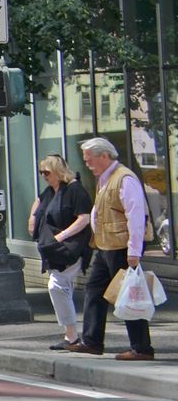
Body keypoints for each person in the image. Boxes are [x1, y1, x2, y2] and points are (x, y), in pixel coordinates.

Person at [68, 138, 155, 361]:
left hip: (121, 248)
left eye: (90, 160)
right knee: (94, 291)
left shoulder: (125, 178)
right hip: (105, 246)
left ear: (104, 156)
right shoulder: (105, 178)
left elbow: (136, 216)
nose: (87, 164)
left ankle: (142, 348)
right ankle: (92, 341)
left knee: (129, 296)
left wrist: (134, 251)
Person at [28, 154, 92, 351]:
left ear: (57, 171)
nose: (44, 176)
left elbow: (84, 218)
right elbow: (39, 202)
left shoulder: (75, 190)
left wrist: (61, 236)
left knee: (57, 285)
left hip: (71, 247)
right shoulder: (50, 191)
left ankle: (72, 335)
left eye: (46, 172)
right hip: (53, 249)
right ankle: (71, 335)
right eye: (41, 172)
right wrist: (32, 219)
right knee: (62, 287)